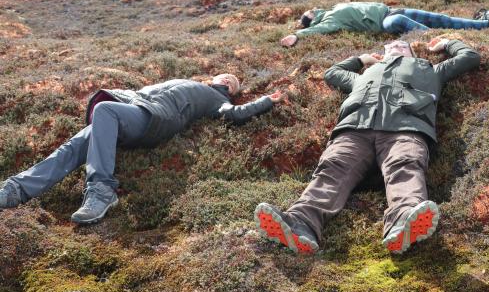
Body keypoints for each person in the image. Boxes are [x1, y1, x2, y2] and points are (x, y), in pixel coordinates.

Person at [255, 36, 480, 255]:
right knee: (332, 169)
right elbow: (332, 73)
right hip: (355, 130)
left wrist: (447, 44)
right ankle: (300, 223)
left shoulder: (431, 70)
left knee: (405, 166)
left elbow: (469, 56)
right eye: (391, 46)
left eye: (403, 45)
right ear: (382, 54)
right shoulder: (363, 75)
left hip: (405, 129)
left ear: (412, 53)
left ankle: (404, 221)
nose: (397, 47)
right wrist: (361, 60)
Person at [0, 75, 283, 224]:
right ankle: (16, 190)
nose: (228, 81)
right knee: (74, 146)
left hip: (156, 119)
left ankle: (102, 191)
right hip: (135, 108)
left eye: (232, 84)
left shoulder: (213, 98)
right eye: (226, 77)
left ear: (229, 91)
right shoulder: (188, 82)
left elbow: (235, 114)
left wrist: (266, 101)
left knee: (104, 110)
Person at [280, 1, 489, 47]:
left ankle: (486, 25)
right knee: (397, 23)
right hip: (387, 18)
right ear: (311, 18)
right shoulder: (328, 19)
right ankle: (443, 41)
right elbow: (318, 30)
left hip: (392, 9)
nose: (310, 9)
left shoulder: (332, 8)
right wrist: (298, 35)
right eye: (308, 13)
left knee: (442, 19)